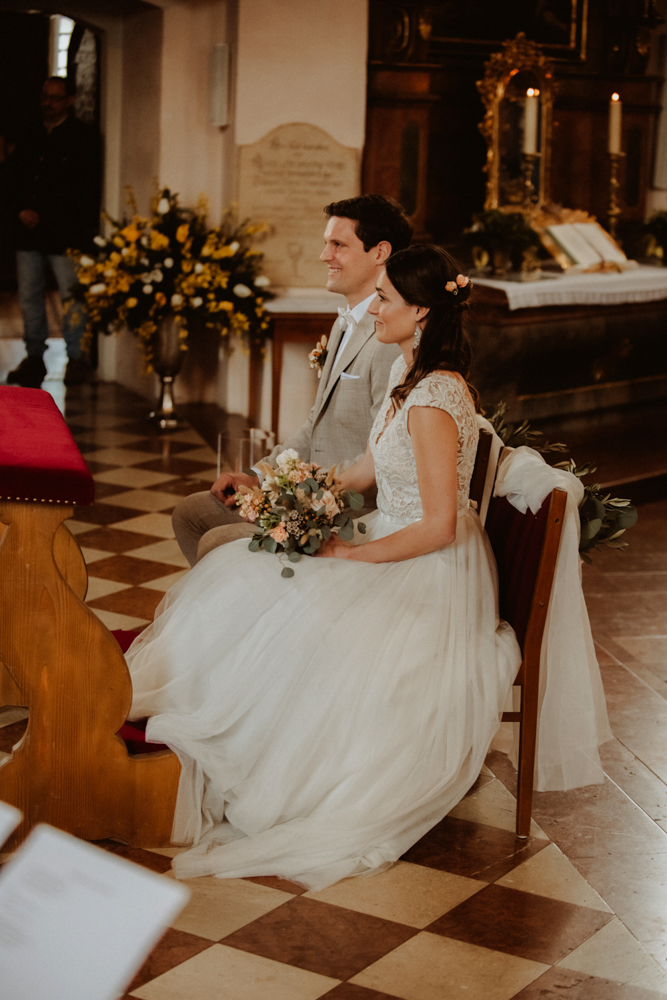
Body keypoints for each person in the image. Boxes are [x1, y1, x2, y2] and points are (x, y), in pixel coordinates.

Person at [126, 244, 522, 892]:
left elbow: (439, 526)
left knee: (271, 603)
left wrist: (349, 556)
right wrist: (290, 494)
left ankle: (250, 748)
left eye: (386, 298)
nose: (376, 309)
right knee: (244, 575)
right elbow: (365, 470)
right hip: (392, 539)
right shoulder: (410, 377)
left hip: (426, 568)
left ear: (422, 310)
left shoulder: (434, 397)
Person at [172, 194, 413, 567]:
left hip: (351, 511)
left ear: (380, 252)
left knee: (218, 543)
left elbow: (381, 455)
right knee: (191, 513)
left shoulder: (390, 337)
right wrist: (257, 475)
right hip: (307, 493)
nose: (324, 255)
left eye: (338, 245)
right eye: (326, 243)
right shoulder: (345, 323)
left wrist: (301, 495)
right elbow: (315, 425)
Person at [6, 76, 100, 388]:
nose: (48, 103)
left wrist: (44, 215)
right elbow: (14, 176)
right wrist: (21, 209)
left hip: (64, 231)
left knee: (72, 296)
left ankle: (76, 356)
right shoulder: (31, 133)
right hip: (28, 231)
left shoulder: (83, 137)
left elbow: (81, 188)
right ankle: (35, 356)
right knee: (29, 295)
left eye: (55, 98)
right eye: (45, 97)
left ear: (70, 101)